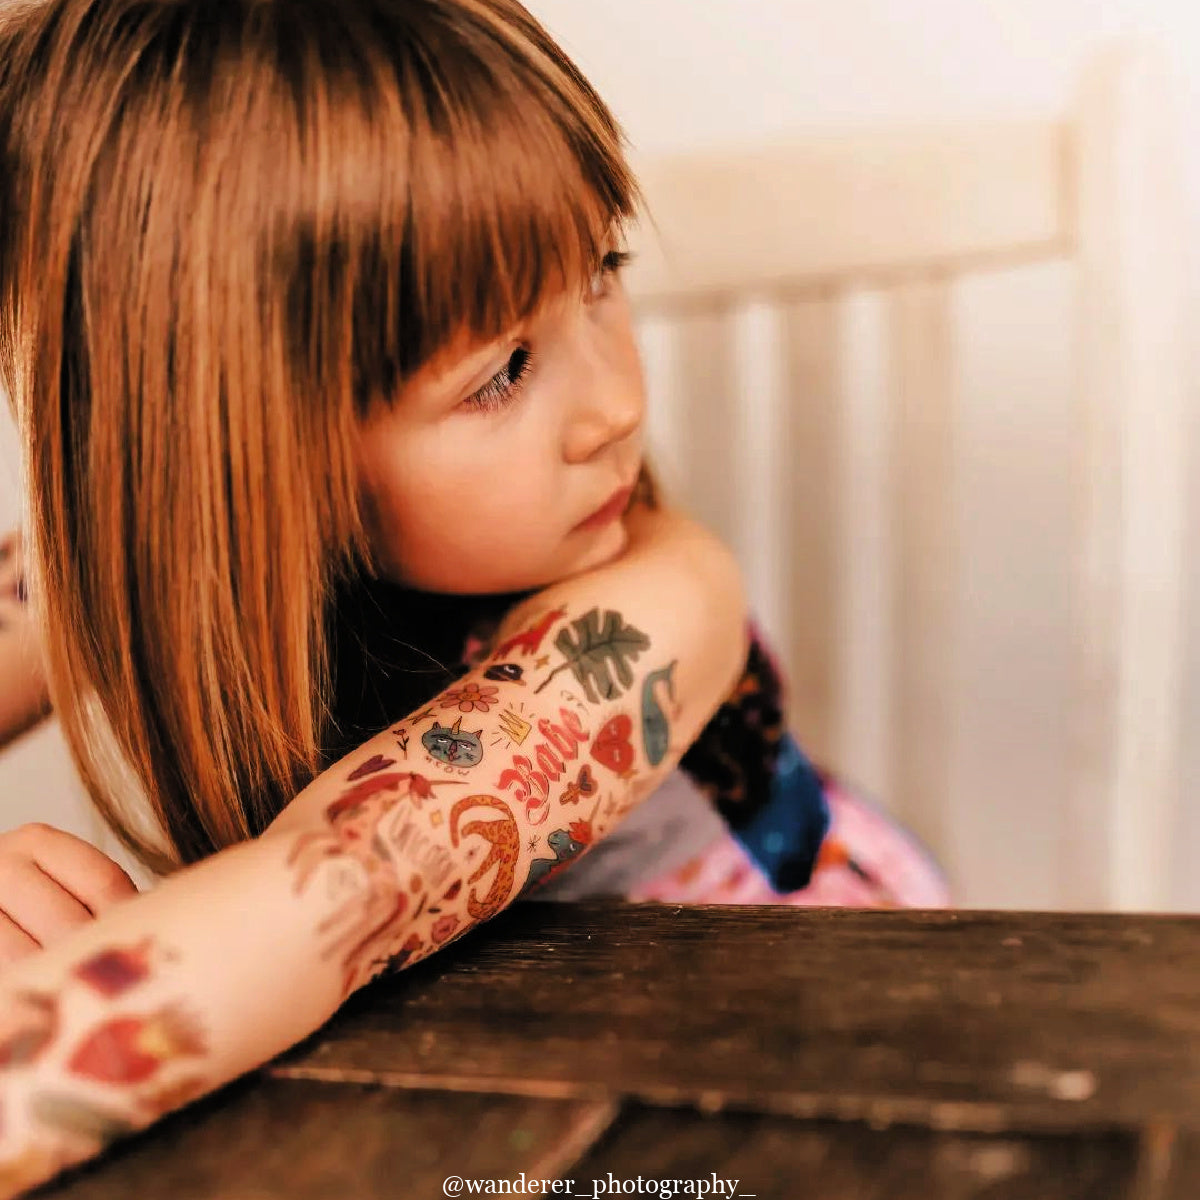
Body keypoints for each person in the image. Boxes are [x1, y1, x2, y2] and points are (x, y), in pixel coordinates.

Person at [0, 0, 947, 1192]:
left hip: (818, 1088)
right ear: (245, 447)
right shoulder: (147, 552)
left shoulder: (658, 607)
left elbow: (334, 898)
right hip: (483, 1103)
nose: (614, 408)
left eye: (604, 270)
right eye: (502, 372)